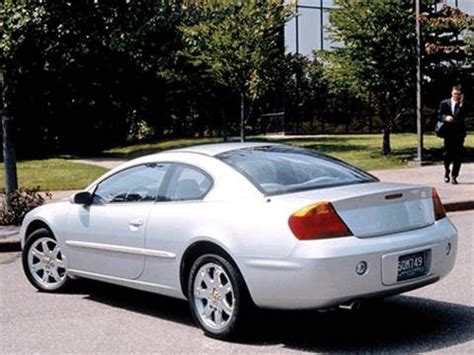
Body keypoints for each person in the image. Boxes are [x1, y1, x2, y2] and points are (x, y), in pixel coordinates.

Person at [437, 85, 468, 184]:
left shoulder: (464, 105)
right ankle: (447, 171)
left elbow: (462, 115)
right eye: (455, 94)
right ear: (451, 93)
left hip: (459, 133)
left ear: (461, 95)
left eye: (458, 94)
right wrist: (446, 118)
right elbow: (439, 115)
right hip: (448, 133)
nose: (456, 96)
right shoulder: (444, 103)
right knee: (447, 154)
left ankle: (454, 176)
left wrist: (461, 104)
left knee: (458, 156)